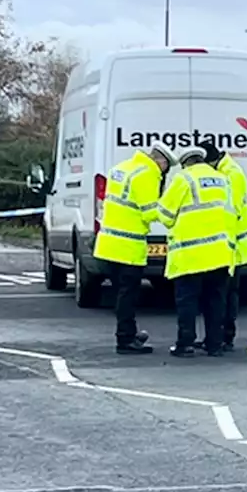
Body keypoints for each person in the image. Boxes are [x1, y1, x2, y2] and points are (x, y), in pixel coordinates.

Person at [93, 141, 178, 355]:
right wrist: (173, 210)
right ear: (161, 161)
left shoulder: (123, 168)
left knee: (121, 294)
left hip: (108, 244)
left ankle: (128, 332)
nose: (164, 172)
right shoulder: (148, 174)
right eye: (166, 167)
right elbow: (149, 212)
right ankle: (125, 340)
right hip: (128, 246)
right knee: (128, 295)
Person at [154, 146, 237, 358]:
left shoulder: (183, 179)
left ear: (184, 163)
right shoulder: (222, 179)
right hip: (219, 252)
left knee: (187, 302)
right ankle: (214, 345)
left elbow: (164, 214)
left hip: (189, 254)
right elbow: (231, 213)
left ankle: (186, 344)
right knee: (215, 301)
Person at [199, 140, 247, 352]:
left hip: (234, 243)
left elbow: (230, 211)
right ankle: (218, 336)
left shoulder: (230, 174)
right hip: (230, 242)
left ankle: (225, 336)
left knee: (227, 293)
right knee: (223, 293)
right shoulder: (227, 170)